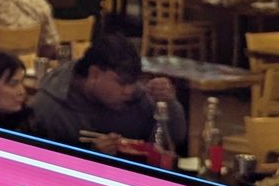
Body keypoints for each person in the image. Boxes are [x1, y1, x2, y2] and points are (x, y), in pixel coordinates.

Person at [29, 35, 181, 153]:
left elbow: (172, 142)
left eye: (133, 82)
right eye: (122, 83)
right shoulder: (49, 108)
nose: (129, 90)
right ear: (94, 74)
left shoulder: (137, 97)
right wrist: (91, 157)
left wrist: (168, 105)